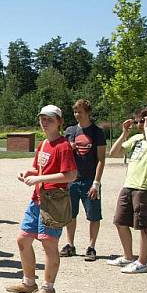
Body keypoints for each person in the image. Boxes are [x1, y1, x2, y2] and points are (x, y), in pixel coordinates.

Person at [7, 105, 77, 293]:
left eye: (50, 120)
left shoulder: (63, 145)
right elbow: (37, 167)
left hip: (54, 201)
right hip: (37, 199)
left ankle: (48, 288)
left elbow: (70, 175)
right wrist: (29, 172)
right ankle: (29, 282)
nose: (45, 123)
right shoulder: (44, 143)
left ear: (59, 122)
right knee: (23, 239)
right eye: (43, 119)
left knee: (48, 243)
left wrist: (40, 178)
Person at [107, 107, 147, 274]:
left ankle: (142, 262)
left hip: (146, 187)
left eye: (143, 120)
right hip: (128, 185)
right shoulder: (136, 138)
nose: (139, 124)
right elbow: (114, 153)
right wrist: (124, 133)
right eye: (138, 121)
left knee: (144, 226)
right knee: (120, 221)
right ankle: (128, 257)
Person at [61, 99, 106, 261]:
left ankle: (91, 247)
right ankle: (70, 244)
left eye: (79, 112)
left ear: (88, 113)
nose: (76, 115)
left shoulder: (97, 132)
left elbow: (101, 159)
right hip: (72, 180)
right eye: (75, 111)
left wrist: (96, 183)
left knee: (93, 215)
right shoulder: (70, 131)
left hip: (89, 181)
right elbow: (62, 156)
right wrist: (68, 148)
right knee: (70, 215)